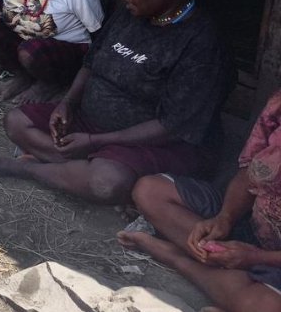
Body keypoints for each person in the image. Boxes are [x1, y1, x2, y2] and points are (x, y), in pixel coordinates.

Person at [0, 0, 232, 206]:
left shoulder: (201, 43)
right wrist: (67, 103)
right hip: (91, 124)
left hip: (150, 142)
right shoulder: (130, 13)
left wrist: (95, 141)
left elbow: (171, 127)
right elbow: (92, 61)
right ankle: (76, 169)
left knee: (107, 182)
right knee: (16, 121)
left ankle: (32, 169)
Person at [117, 87, 281, 312]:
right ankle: (232, 274)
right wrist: (225, 218)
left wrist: (257, 258)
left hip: (270, 258)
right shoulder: (277, 105)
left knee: (264, 306)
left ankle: (176, 257)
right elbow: (248, 172)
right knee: (151, 191)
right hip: (254, 225)